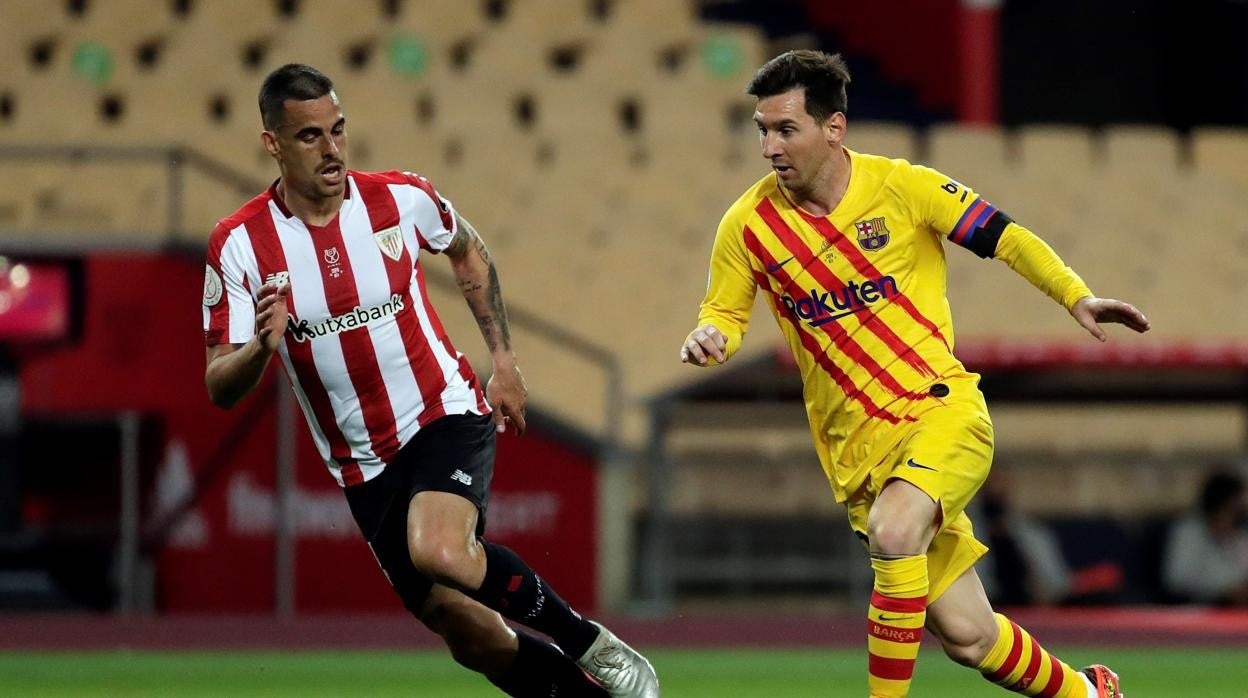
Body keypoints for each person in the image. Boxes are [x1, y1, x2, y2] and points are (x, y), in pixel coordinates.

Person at [680, 50, 1149, 698]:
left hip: (940, 413)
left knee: (895, 531)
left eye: (785, 129)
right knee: (969, 637)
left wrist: (1076, 296)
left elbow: (1002, 236)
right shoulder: (747, 226)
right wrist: (712, 337)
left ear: (834, 128)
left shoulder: (902, 187)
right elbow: (725, 311)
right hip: (860, 457)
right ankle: (1089, 693)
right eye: (761, 129)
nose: (768, 147)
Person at [202, 63, 659, 698]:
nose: (332, 149)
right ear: (272, 144)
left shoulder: (399, 199)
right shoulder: (239, 245)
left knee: (440, 551)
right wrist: (260, 347)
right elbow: (219, 383)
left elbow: (468, 249)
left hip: (441, 410)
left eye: (338, 130)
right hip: (362, 466)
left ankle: (587, 641)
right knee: (469, 633)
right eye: (310, 137)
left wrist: (503, 361)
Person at [1163, 469, 1248, 605]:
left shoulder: (1239, 534)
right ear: (1217, 505)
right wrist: (1225, 588)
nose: (1235, 514)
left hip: (1234, 609)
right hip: (1195, 609)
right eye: (1230, 507)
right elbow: (1177, 579)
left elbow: (1242, 575)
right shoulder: (1188, 532)